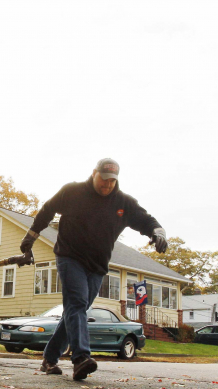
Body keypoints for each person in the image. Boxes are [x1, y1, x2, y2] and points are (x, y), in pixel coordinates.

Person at [19, 158, 167, 381]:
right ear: (94, 173)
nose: (107, 185)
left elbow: (146, 219)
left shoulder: (123, 202)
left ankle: (49, 358)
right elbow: (47, 210)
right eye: (104, 180)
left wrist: (158, 232)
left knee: (74, 311)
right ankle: (80, 358)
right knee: (77, 304)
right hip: (70, 257)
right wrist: (30, 238)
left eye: (112, 182)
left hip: (98, 266)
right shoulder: (73, 192)